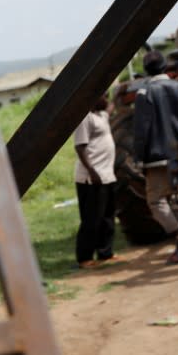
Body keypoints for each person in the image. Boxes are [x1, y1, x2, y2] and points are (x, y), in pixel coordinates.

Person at [133, 50, 178, 264]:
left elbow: (141, 130)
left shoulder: (144, 93)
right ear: (165, 67)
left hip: (157, 158)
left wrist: (138, 158)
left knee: (156, 201)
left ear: (146, 71)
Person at [73, 93, 119, 269]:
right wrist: (92, 171)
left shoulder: (102, 115)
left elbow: (110, 107)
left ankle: (105, 253)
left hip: (107, 175)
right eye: (104, 96)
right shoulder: (85, 118)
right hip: (91, 178)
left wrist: (119, 92)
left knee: (107, 217)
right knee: (91, 219)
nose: (107, 99)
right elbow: (80, 147)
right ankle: (84, 257)